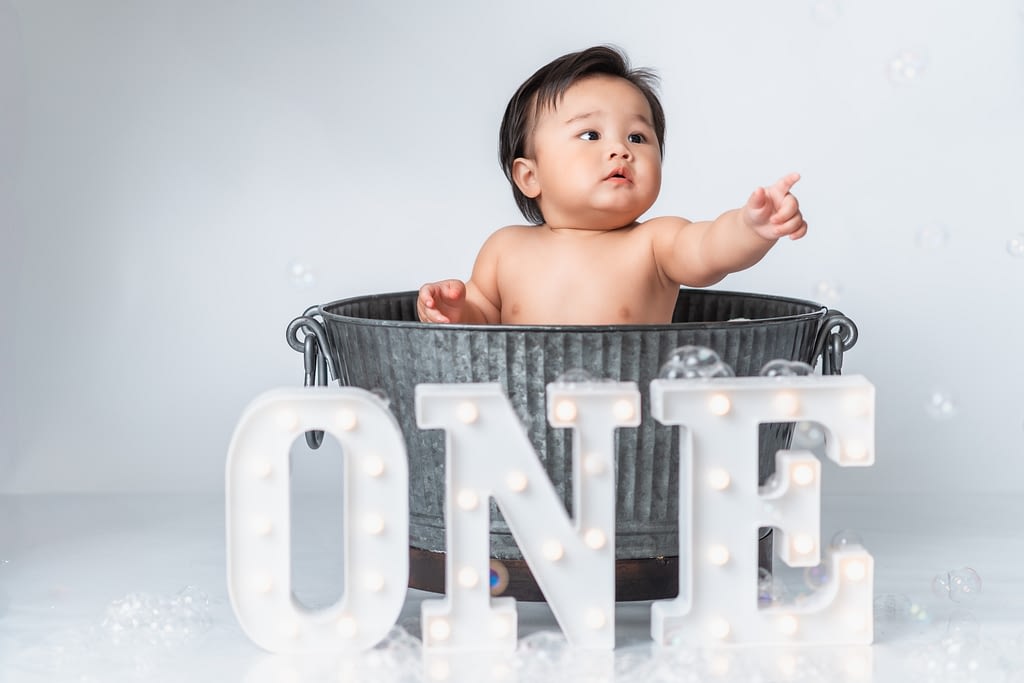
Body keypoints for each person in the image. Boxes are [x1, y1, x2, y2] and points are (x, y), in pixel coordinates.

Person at [417, 45, 807, 325]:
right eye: (590, 135)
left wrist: (750, 227)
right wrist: (455, 311)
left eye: (638, 137)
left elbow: (710, 250)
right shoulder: (505, 249)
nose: (620, 149)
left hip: (631, 425)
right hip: (526, 418)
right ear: (529, 176)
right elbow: (483, 315)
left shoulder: (655, 243)